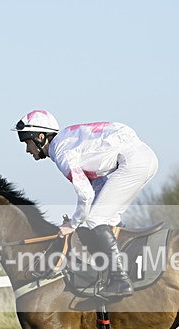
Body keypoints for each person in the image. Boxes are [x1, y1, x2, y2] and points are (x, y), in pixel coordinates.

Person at [13, 109, 158, 297]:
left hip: (133, 161)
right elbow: (98, 184)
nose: (27, 150)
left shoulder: (61, 152)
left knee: (95, 220)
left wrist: (72, 224)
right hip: (143, 158)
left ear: (40, 137)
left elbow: (86, 194)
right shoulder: (66, 142)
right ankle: (117, 271)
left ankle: (120, 280)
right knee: (105, 218)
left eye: (27, 142)